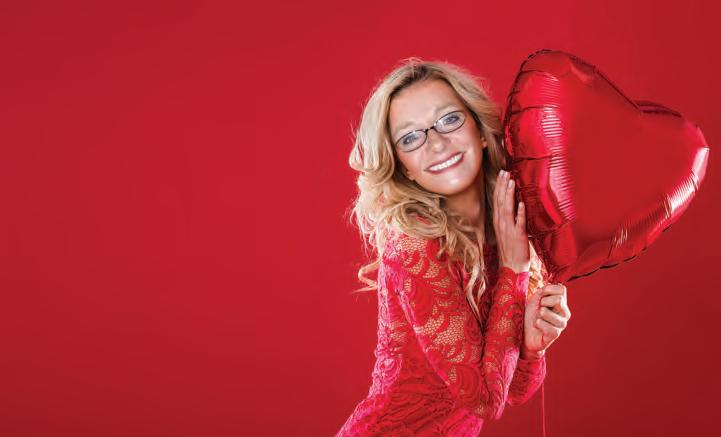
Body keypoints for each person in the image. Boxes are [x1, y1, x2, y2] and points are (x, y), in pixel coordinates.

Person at [336, 58, 572, 436]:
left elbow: (513, 391)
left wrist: (533, 347)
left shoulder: (506, 229)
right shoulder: (414, 243)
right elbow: (485, 400)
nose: (436, 143)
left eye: (448, 120)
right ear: (404, 167)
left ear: (480, 130)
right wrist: (514, 268)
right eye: (410, 138)